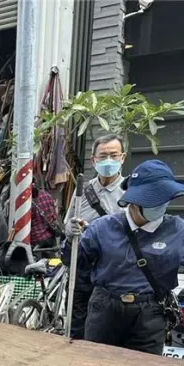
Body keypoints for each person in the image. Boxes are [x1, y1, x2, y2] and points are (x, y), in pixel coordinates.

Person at [70, 159, 184, 355]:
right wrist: (71, 240)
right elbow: (74, 264)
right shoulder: (103, 228)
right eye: (155, 199)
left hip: (150, 313)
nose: (161, 205)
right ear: (134, 200)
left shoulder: (178, 231)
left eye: (165, 199)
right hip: (106, 310)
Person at [64, 134, 128, 340]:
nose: (108, 160)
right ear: (93, 160)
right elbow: (68, 221)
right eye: (103, 156)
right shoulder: (84, 189)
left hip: (113, 271)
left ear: (123, 157)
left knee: (104, 329)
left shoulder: (131, 192)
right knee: (76, 325)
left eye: (113, 155)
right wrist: (71, 227)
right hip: (83, 266)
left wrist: (102, 231)